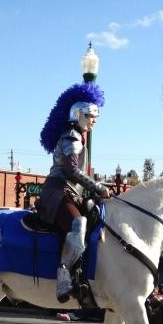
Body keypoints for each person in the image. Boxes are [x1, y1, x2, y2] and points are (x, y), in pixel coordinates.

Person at [36, 81, 109, 302]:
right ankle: (64, 275)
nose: (93, 120)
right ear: (78, 113)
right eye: (90, 116)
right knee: (78, 225)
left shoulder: (77, 137)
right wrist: (97, 187)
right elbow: (70, 170)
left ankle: (83, 275)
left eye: (95, 117)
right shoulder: (71, 136)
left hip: (70, 193)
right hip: (58, 192)